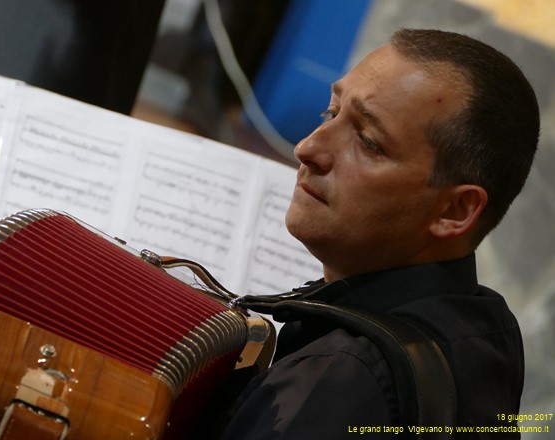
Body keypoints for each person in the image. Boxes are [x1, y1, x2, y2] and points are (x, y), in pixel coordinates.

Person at [219, 28, 540, 438]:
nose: (307, 149)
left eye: (369, 142)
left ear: (454, 210)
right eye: (331, 113)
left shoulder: (340, 379)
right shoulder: (488, 327)